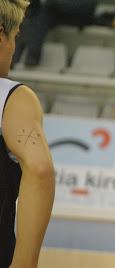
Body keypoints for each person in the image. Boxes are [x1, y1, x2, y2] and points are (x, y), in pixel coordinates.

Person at [0, 0, 55, 267]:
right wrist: (25, 262)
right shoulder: (11, 97)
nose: (13, 49)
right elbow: (40, 168)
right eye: (14, 37)